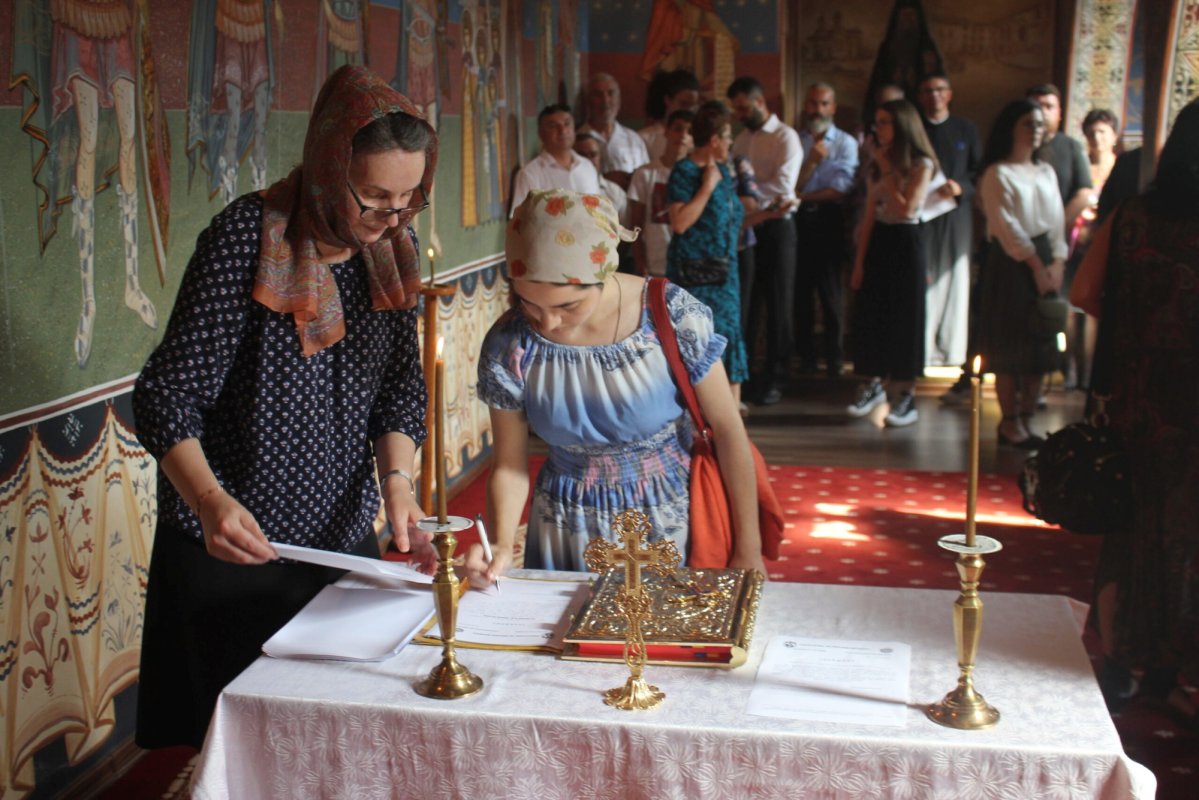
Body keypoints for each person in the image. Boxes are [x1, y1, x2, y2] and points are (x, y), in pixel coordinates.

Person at [132, 66, 435, 748]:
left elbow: (399, 392)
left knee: (329, 743)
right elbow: (166, 394)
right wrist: (211, 503)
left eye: (407, 200)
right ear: (331, 168)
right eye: (374, 197)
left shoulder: (390, 251)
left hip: (339, 546)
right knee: (239, 751)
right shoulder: (247, 238)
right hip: (234, 548)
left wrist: (398, 490)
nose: (389, 218)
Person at [470, 189, 765, 581]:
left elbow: (729, 432)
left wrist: (749, 547)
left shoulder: (670, 315)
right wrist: (502, 543)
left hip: (665, 518)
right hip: (564, 523)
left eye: (566, 306)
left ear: (604, 274)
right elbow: (509, 465)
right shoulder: (510, 343)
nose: (548, 323)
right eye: (529, 304)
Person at [1069, 98, 1199, 717]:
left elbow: (1084, 292)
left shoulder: (1132, 217)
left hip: (1140, 391)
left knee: (1132, 523)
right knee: (1189, 534)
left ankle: (1121, 661)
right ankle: (1185, 675)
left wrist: (1141, 326)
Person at [974, 99, 1067, 448]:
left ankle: (1028, 418)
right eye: (1029, 123)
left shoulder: (1046, 171)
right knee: (1010, 347)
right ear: (1012, 127)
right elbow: (1006, 226)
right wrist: (1035, 266)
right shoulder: (998, 173)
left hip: (1044, 254)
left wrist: (1057, 262)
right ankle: (1009, 422)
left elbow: (1057, 220)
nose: (1036, 130)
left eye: (1040, 124)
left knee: (1039, 345)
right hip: (1012, 263)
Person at [846, 99, 937, 427]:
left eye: (885, 122)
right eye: (878, 122)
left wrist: (886, 166)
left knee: (905, 318)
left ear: (902, 126)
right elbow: (870, 214)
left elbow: (907, 209)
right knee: (872, 313)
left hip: (907, 241)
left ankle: (905, 395)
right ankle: (872, 383)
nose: (878, 129)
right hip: (880, 241)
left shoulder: (921, 163)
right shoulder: (876, 163)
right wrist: (859, 263)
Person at [667, 101, 752, 407]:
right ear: (715, 139)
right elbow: (679, 222)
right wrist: (707, 186)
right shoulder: (685, 172)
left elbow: (730, 221)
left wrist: (770, 214)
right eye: (728, 137)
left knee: (729, 335)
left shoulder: (725, 174)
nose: (731, 144)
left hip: (726, 273)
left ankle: (731, 424)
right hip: (694, 275)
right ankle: (698, 420)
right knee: (695, 339)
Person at [727, 76, 802, 405]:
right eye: (735, 109)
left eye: (743, 107)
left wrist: (752, 198)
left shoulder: (786, 137)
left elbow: (784, 185)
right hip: (748, 226)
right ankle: (750, 377)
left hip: (777, 226)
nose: (739, 114)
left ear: (759, 102)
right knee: (750, 303)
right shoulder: (741, 140)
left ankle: (776, 375)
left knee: (778, 302)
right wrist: (749, 203)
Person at [917, 71, 982, 374]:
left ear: (950, 94)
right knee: (924, 277)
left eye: (940, 89)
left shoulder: (965, 129)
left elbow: (978, 171)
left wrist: (961, 188)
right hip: (923, 214)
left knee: (955, 278)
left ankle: (950, 351)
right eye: (928, 90)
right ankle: (923, 350)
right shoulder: (917, 129)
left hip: (956, 214)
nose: (935, 95)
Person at [794, 82, 859, 378]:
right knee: (800, 292)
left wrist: (803, 197)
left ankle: (834, 357)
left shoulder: (845, 143)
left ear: (832, 108)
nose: (817, 109)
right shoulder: (796, 140)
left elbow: (841, 188)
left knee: (831, 293)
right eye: (813, 103)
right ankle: (805, 356)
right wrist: (810, 164)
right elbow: (789, 184)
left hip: (829, 220)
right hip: (798, 221)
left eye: (824, 104)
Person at [1061, 108, 1120, 390]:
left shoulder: (1119, 168)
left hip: (1102, 241)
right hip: (1077, 244)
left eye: (1102, 132)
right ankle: (1070, 369)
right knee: (1071, 310)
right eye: (1092, 132)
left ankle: (1089, 372)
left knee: (1094, 309)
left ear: (1113, 136)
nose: (1097, 138)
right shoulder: (1081, 165)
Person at [629, 109, 694, 277]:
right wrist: (640, 260)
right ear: (667, 131)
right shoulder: (645, 173)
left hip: (689, 263)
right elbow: (636, 223)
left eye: (689, 131)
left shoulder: (697, 176)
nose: (683, 135)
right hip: (656, 262)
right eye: (678, 129)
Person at [510, 104, 601, 212]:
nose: (562, 130)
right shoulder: (530, 174)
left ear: (574, 128)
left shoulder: (587, 166)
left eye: (567, 124)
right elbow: (518, 219)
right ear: (541, 133)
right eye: (553, 126)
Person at [577, 72, 650, 191]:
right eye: (598, 94)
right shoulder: (577, 140)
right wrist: (605, 179)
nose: (605, 100)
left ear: (619, 100)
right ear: (588, 101)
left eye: (611, 93)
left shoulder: (634, 139)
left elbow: (646, 179)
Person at [639, 68, 701, 163]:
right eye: (683, 104)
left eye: (693, 106)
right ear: (667, 100)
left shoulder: (699, 138)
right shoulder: (645, 138)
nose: (689, 111)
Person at [575, 129, 630, 226]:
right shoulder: (562, 188)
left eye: (593, 155)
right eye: (582, 155)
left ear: (600, 157)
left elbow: (625, 233)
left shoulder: (616, 193)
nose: (588, 160)